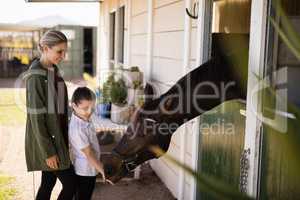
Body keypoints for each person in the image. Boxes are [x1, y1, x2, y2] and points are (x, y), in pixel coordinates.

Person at [24, 30, 77, 200]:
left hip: (58, 136)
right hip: (49, 143)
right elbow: (36, 118)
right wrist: (48, 152)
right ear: (46, 48)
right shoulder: (36, 76)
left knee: (48, 183)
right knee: (72, 184)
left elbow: (58, 105)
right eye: (59, 51)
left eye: (64, 51)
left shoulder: (52, 69)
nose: (63, 55)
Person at [69, 87, 113, 200]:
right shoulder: (77, 129)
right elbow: (88, 154)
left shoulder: (83, 116)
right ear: (74, 105)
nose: (89, 112)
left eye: (91, 108)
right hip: (84, 171)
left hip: (91, 167)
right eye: (85, 108)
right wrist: (103, 170)